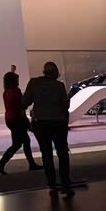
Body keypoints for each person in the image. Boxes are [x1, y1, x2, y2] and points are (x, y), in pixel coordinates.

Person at [23, 61, 74, 197]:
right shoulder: (59, 86)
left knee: (46, 155)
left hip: (41, 124)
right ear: (55, 73)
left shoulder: (33, 83)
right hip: (58, 124)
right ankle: (66, 185)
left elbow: (24, 102)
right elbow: (65, 106)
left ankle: (52, 186)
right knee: (62, 154)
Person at [0, 72, 41, 175]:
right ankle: (3, 163)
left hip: (10, 119)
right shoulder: (16, 91)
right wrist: (27, 122)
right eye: (17, 79)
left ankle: (2, 163)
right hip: (17, 119)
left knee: (18, 143)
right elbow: (21, 107)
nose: (18, 81)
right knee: (23, 142)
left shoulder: (6, 92)